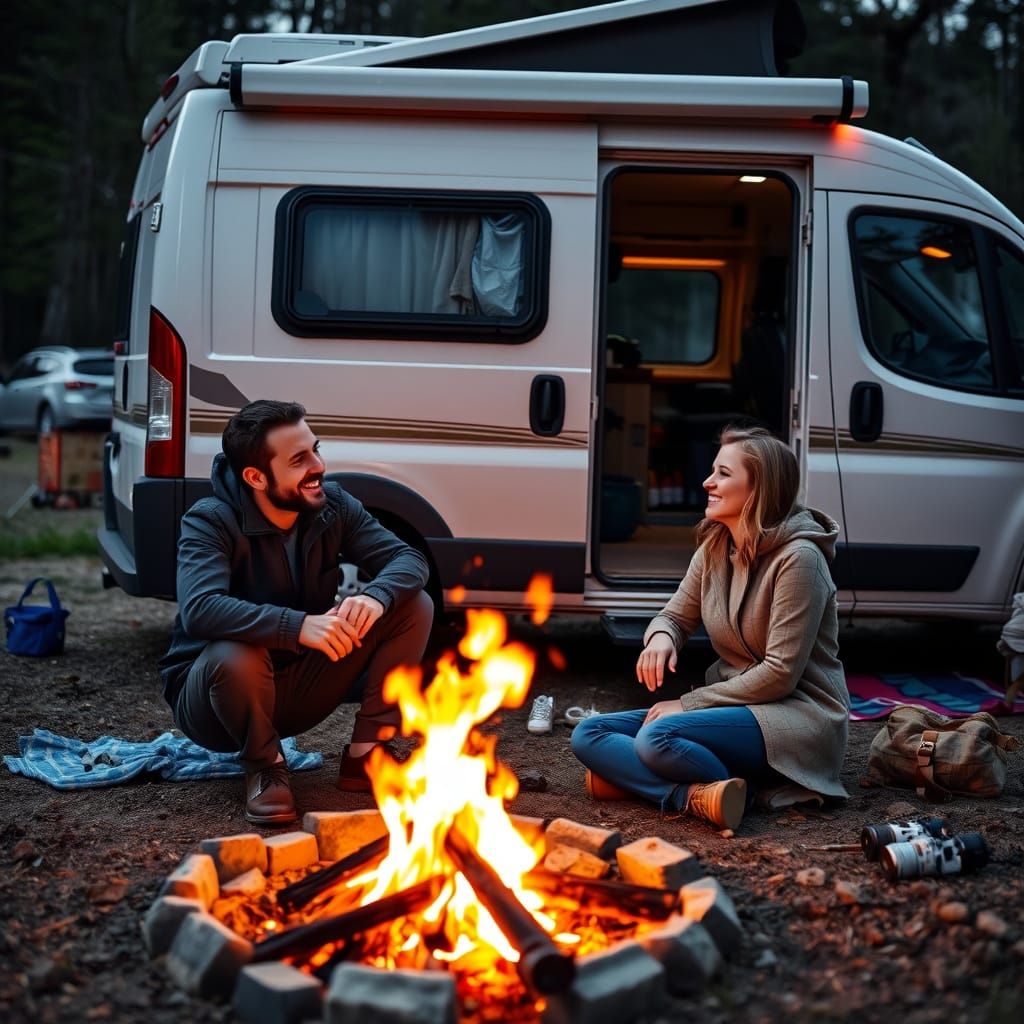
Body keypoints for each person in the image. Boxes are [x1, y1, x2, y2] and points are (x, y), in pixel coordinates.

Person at [158, 400, 433, 825]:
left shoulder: (332, 506)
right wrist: (298, 626)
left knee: (412, 604)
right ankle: (265, 767)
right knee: (237, 651)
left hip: (301, 683)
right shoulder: (210, 521)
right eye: (299, 459)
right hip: (217, 700)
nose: (318, 465)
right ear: (256, 476)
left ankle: (367, 755)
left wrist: (375, 596)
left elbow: (409, 559)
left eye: (316, 449)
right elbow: (200, 610)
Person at [572, 425, 849, 831]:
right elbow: (674, 616)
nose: (707, 482)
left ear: (759, 489)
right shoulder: (717, 546)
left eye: (723, 473)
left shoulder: (800, 560)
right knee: (589, 733)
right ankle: (701, 796)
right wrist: (662, 639)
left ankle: (719, 788)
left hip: (795, 717)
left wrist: (688, 704)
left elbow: (780, 674)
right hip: (732, 706)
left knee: (656, 739)